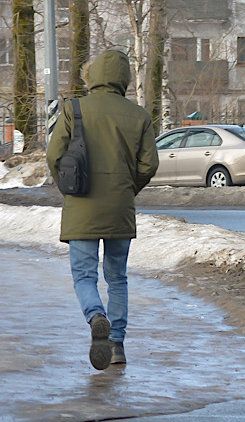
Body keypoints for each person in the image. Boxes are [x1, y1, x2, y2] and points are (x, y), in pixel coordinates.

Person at [45, 50, 159, 370]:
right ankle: (117, 344)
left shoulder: (73, 110)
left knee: (84, 275)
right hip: (120, 208)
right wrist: (126, 188)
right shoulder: (138, 115)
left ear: (92, 75)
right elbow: (150, 164)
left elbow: (54, 155)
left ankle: (96, 316)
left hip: (81, 207)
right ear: (124, 79)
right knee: (117, 277)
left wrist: (70, 188)